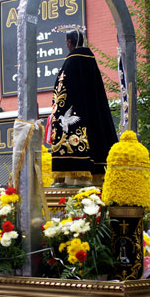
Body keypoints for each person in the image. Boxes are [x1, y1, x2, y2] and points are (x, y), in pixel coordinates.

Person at [47, 27, 117, 186]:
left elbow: (62, 95)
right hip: (93, 116)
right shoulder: (91, 62)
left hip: (75, 117)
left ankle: (73, 177)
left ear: (69, 42)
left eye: (67, 42)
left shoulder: (70, 63)